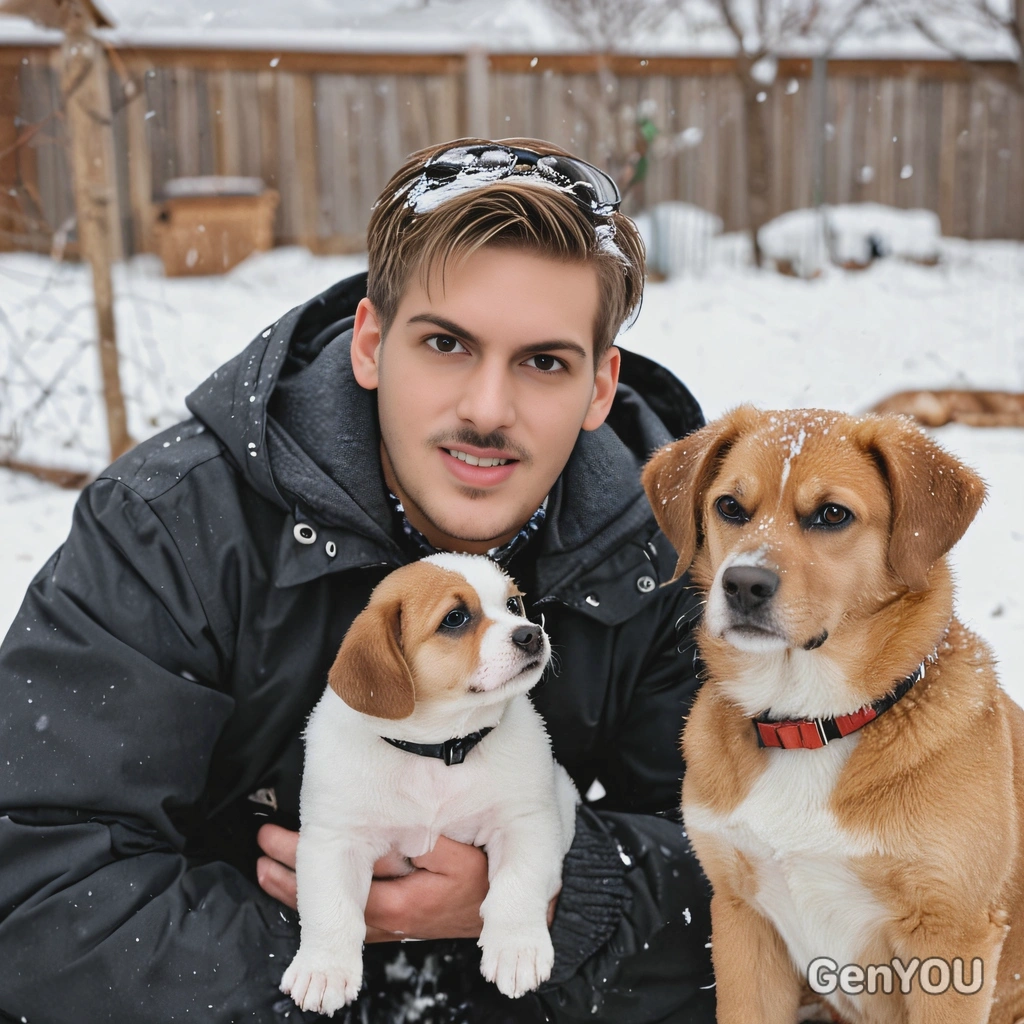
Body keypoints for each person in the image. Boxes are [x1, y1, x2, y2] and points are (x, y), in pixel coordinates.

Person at [0, 138, 714, 1023]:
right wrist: (327, 961)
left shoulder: (671, 558)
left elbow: (772, 874)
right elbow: (37, 890)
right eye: (446, 343)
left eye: (544, 362)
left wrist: (562, 897)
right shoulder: (174, 530)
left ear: (600, 387)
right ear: (371, 344)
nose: (488, 410)